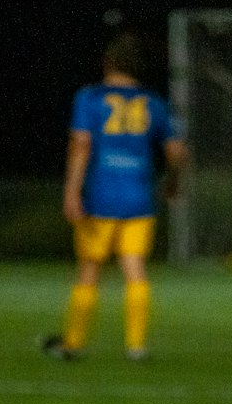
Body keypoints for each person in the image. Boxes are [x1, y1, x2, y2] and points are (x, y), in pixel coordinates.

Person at [41, 32, 187, 361]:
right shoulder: (153, 102)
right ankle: (136, 346)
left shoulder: (90, 98)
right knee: (134, 268)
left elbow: (81, 144)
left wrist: (71, 191)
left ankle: (74, 344)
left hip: (100, 196)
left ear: (108, 63)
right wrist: (173, 182)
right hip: (138, 196)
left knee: (90, 268)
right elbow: (178, 152)